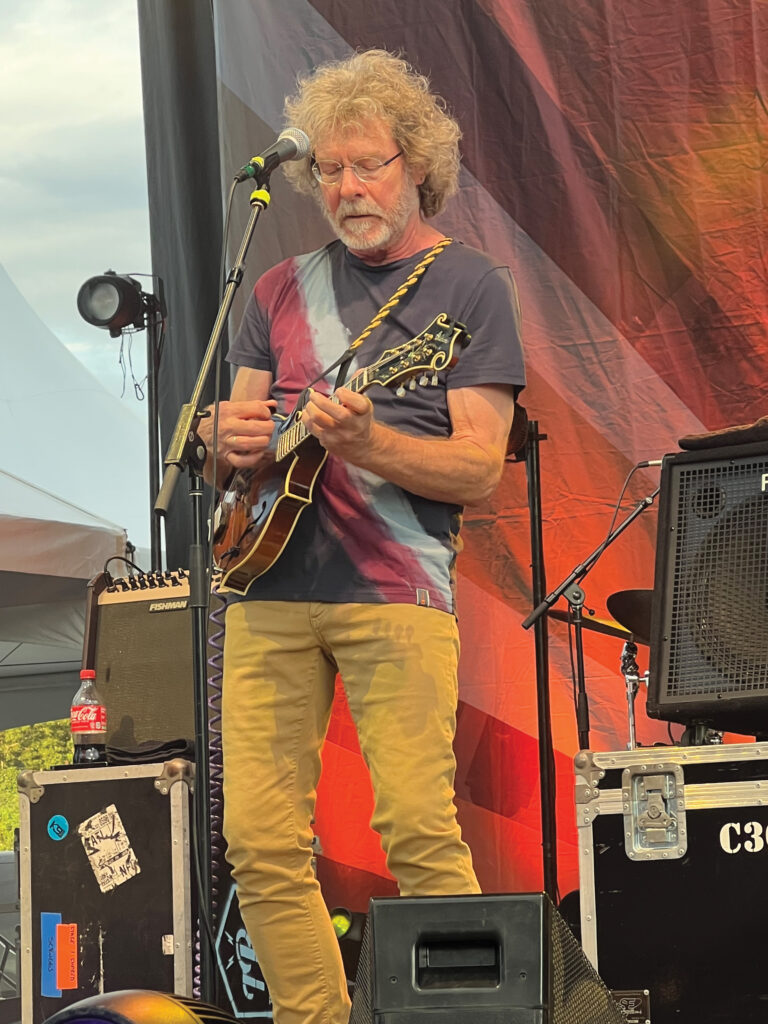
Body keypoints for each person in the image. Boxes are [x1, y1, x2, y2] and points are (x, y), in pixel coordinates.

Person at [200, 49, 526, 1024]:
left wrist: (370, 438)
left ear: (415, 163)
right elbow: (238, 453)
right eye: (330, 170)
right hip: (265, 591)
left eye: (368, 164)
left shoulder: (467, 289)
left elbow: (477, 463)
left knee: (418, 828)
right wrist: (227, 440)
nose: (347, 187)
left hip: (396, 592)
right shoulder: (273, 291)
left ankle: (469, 1018)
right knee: (258, 841)